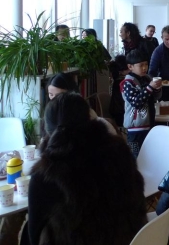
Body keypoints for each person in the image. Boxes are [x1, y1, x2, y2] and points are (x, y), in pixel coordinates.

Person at [21, 92, 147, 245]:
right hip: (130, 239)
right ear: (89, 119)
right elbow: (139, 204)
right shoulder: (120, 153)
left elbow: (34, 238)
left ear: (47, 129)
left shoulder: (44, 176)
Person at [121, 49, 162, 157]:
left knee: (149, 157)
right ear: (130, 67)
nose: (144, 68)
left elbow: (155, 98)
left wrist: (157, 88)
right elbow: (136, 103)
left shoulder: (147, 78)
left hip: (149, 124)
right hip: (135, 129)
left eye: (146, 64)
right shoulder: (128, 83)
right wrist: (150, 87)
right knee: (136, 158)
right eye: (141, 65)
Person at [46, 73, 117, 135]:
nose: (54, 100)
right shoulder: (49, 121)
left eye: (59, 96)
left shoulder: (98, 126)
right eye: (51, 94)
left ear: (72, 94)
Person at [108, 54, 129, 127]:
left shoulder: (117, 81)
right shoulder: (122, 83)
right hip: (121, 114)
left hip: (117, 112)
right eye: (128, 68)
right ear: (121, 71)